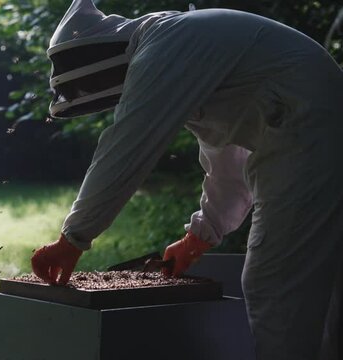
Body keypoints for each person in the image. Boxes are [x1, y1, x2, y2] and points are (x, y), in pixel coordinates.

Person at [30, 1, 343, 359]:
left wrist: (73, 239)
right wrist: (200, 235)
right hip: (313, 124)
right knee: (332, 288)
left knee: (275, 284)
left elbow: (127, 146)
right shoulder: (185, 48)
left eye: (92, 84)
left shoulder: (164, 46)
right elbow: (225, 156)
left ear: (96, 53)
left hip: (310, 130)